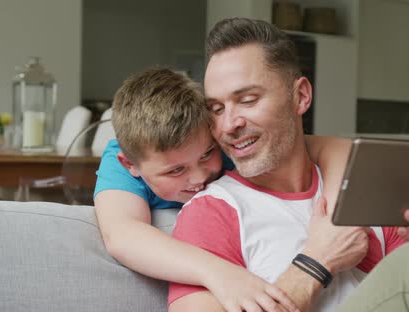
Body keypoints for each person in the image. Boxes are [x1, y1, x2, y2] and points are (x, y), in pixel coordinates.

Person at [167, 17, 409, 312]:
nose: (228, 124)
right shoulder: (212, 212)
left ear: (300, 96)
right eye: (215, 108)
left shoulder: (363, 185)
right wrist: (316, 262)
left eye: (247, 100)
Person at [93, 67, 351, 312]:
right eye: (175, 170)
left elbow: (335, 147)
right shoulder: (128, 157)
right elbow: (122, 234)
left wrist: (334, 217)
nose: (200, 177)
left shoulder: (226, 144)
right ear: (130, 165)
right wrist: (220, 273)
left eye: (207, 154)